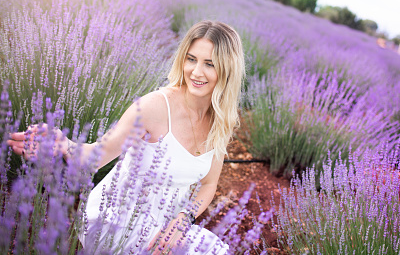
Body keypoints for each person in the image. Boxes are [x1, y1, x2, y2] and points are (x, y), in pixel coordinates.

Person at [7, 20, 245, 254]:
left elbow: (209, 183)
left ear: (227, 70)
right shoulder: (154, 107)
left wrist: (183, 220)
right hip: (119, 220)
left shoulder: (221, 120)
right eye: (191, 59)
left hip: (171, 224)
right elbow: (96, 157)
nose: (196, 71)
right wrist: (62, 144)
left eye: (209, 64)